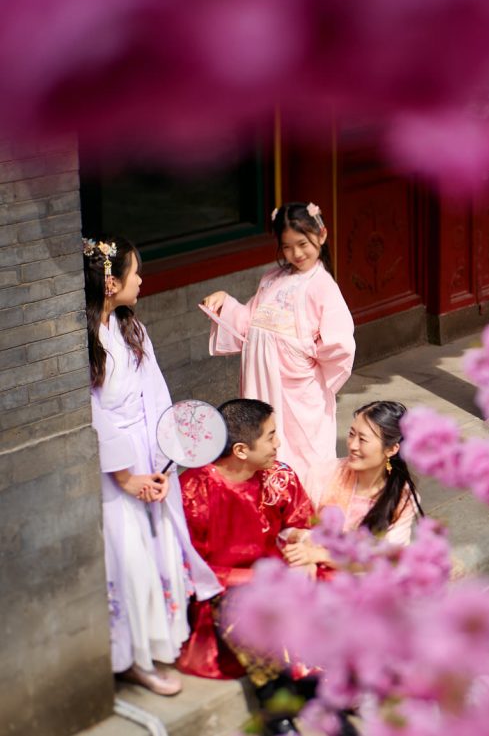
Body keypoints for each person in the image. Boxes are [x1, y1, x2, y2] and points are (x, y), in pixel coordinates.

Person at [83, 235, 221, 696]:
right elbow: (92, 414)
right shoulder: (83, 342)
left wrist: (165, 462)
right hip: (112, 468)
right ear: (109, 283)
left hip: (148, 455)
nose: (141, 280)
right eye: (134, 272)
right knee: (130, 562)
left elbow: (157, 394)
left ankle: (159, 643)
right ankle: (132, 657)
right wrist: (126, 476)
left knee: (160, 548)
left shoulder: (133, 331)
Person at [200, 202, 355, 484]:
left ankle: (306, 514)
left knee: (302, 452)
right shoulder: (271, 278)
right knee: (262, 442)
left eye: (303, 243)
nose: (296, 254)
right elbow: (249, 321)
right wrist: (225, 301)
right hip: (262, 380)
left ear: (321, 234)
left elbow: (340, 344)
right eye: (287, 247)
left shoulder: (324, 286)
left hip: (299, 388)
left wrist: (304, 358)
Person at [175, 399, 315, 681]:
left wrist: (304, 543)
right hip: (224, 591)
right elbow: (189, 568)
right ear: (240, 450)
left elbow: (303, 521)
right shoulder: (193, 491)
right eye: (270, 436)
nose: (278, 444)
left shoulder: (278, 476)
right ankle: (288, 693)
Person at [286, 401, 423, 573]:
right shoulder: (323, 474)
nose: (352, 445)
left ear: (391, 449)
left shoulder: (403, 497)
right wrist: (305, 542)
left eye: (363, 439)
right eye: (351, 434)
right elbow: (292, 523)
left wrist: (322, 555)